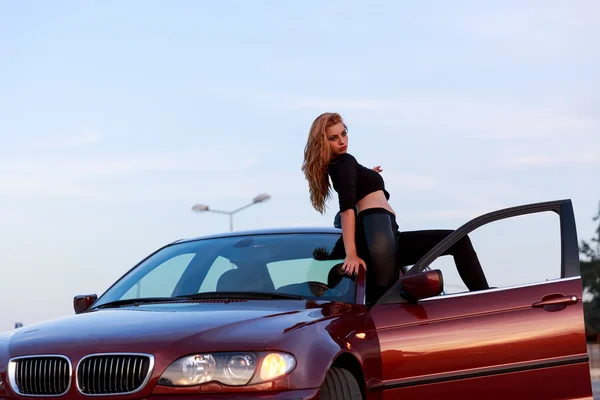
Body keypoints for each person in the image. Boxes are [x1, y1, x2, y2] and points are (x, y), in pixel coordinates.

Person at [302, 112, 489, 304]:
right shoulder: (344, 162)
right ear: (324, 143)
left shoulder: (344, 166)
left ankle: (334, 272)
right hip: (377, 228)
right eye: (334, 138)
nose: (342, 141)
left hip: (385, 233)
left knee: (382, 301)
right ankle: (487, 300)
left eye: (344, 133)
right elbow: (347, 208)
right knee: (385, 301)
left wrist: (366, 175)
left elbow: (353, 195)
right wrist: (351, 254)